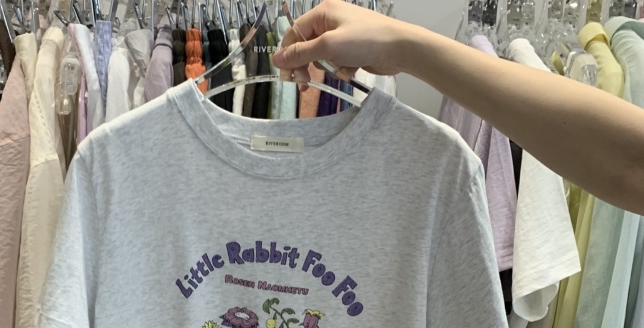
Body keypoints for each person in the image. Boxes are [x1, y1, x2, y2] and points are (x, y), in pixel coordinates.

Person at [273, 0, 644, 215]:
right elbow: (629, 161)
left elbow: (629, 163)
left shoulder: (448, 166)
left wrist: (402, 45)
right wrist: (401, 46)